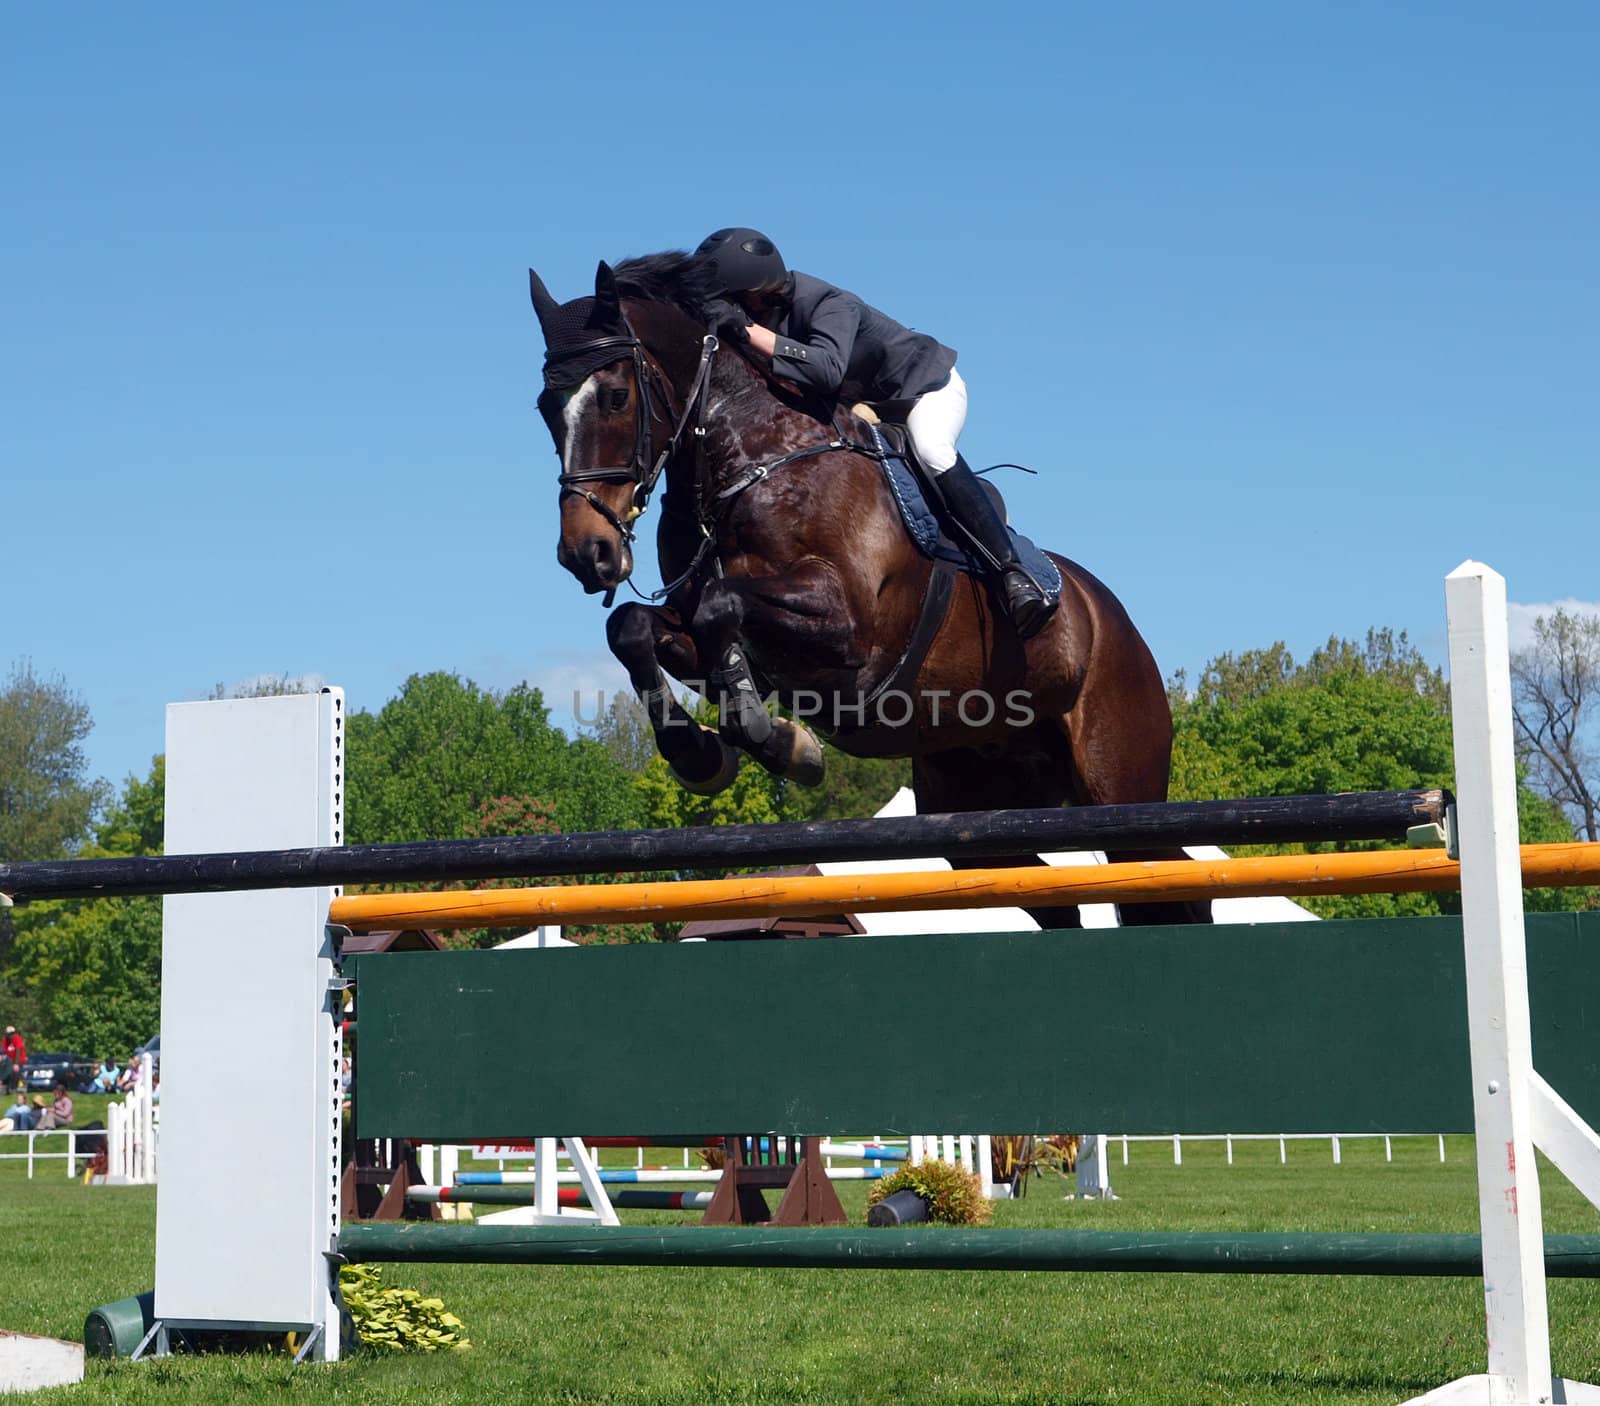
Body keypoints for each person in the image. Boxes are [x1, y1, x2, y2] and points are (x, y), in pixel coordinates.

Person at [693, 227, 1056, 640]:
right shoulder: (765, 313)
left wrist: (750, 333)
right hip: (865, 408)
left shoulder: (826, 302)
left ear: (757, 288)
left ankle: (1013, 572)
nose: (732, 309)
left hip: (923, 390)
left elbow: (827, 370)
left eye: (733, 299)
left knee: (931, 449)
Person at [2, 1026, 25, 1092]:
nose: (11, 1035)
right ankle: (8, 1088)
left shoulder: (17, 1038)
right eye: (9, 1034)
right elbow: (3, 1051)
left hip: (19, 1060)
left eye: (12, 1033)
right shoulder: (5, 1040)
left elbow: (18, 1051)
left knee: (16, 1072)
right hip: (9, 1061)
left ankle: (19, 1088)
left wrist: (16, 1064)